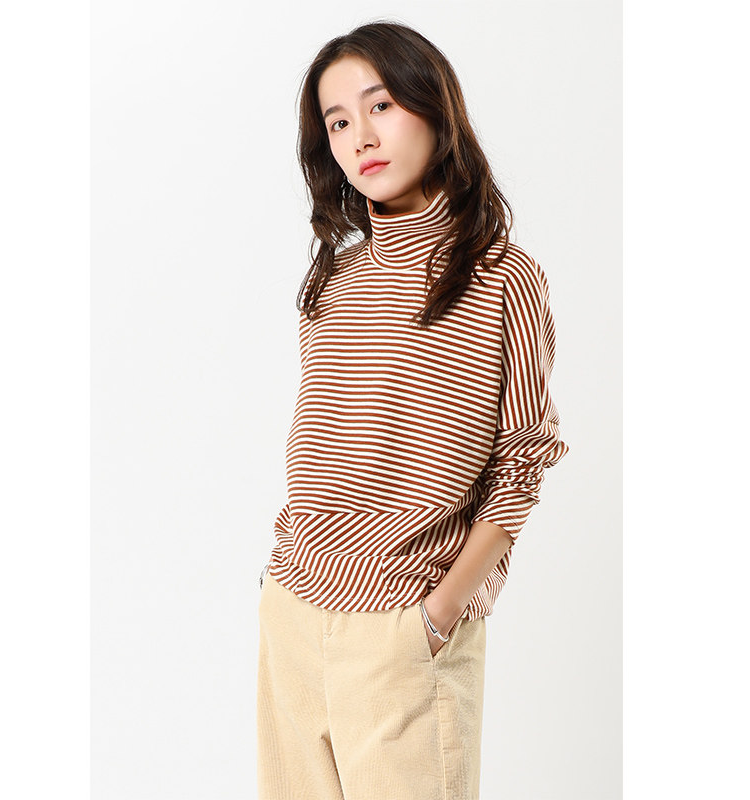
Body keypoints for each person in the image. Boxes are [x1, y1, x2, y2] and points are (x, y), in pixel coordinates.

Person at [256, 19, 569, 800]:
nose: (360, 136)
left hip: (406, 627)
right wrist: (282, 584)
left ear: (434, 108)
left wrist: (439, 614)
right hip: (292, 615)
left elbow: (521, 463)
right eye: (337, 122)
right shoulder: (332, 282)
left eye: (381, 105)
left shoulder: (503, 279)